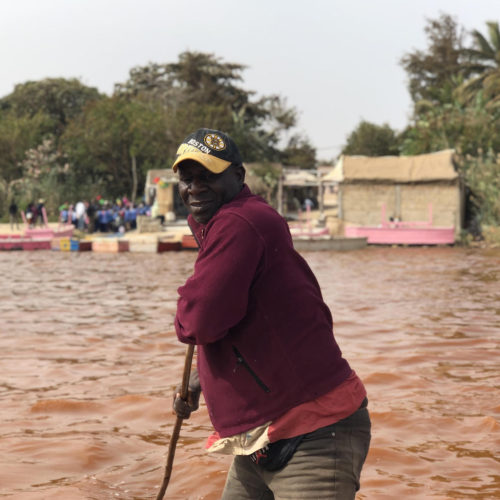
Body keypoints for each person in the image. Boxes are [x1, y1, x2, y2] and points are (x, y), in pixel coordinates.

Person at [171, 128, 371, 499]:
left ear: (238, 177)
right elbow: (250, 317)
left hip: (314, 429)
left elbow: (198, 318)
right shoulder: (226, 223)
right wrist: (203, 377)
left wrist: (186, 304)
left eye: (208, 176)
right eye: (187, 178)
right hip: (260, 439)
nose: (195, 188)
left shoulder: (239, 223)